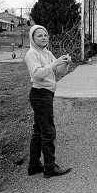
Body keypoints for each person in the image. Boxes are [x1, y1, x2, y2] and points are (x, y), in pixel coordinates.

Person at [24, 25, 72, 178]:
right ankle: (50, 168)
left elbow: (59, 72)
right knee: (48, 132)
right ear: (33, 38)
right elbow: (37, 74)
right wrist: (54, 63)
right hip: (39, 95)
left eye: (45, 35)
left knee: (39, 131)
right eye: (39, 36)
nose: (44, 37)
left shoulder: (47, 52)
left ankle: (34, 166)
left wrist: (65, 63)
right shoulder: (31, 54)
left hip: (47, 94)